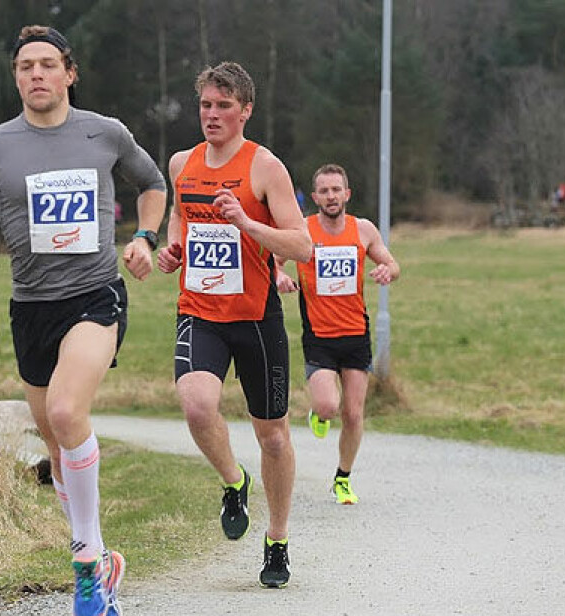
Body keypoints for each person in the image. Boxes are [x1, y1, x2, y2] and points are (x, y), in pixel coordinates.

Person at [0, 25, 166, 616]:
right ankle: (102, 559)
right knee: (56, 444)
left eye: (47, 64)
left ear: (69, 73)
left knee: (68, 414)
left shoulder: (105, 132)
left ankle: (87, 561)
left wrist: (146, 238)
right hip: (31, 307)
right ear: (16, 77)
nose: (36, 74)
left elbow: (152, 184)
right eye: (25, 66)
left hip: (95, 294)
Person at [157, 61, 312, 588]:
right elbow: (180, 215)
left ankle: (278, 539)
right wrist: (173, 247)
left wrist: (246, 223)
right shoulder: (182, 163)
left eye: (223, 105)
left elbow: (302, 245)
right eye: (205, 104)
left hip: (255, 318)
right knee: (197, 406)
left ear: (245, 110)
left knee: (273, 437)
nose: (212, 114)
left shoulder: (265, 168)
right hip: (199, 311)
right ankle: (233, 480)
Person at [275, 164, 400, 505]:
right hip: (319, 335)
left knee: (354, 414)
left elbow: (393, 264)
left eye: (336, 190)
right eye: (324, 191)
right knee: (328, 406)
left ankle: (342, 478)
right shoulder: (303, 230)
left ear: (347, 194)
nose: (331, 196)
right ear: (315, 197)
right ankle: (319, 413)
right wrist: (279, 277)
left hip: (356, 334)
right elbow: (273, 260)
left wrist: (387, 270)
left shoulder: (363, 230)